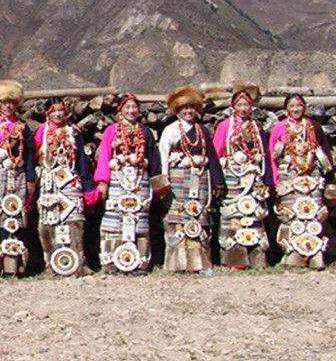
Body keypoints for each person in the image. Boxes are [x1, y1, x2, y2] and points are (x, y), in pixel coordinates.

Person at [94, 93, 165, 273]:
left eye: (134, 107)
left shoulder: (145, 132)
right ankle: (111, 262)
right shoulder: (111, 131)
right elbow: (104, 156)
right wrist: (102, 181)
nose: (131, 111)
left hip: (140, 180)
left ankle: (140, 263)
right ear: (120, 110)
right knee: (114, 220)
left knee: (139, 219)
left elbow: (153, 159)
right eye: (127, 107)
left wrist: (158, 184)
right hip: (117, 179)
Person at [157, 86, 224, 274]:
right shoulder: (170, 130)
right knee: (177, 217)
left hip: (200, 178)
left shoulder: (202, 131)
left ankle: (200, 262)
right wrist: (163, 183)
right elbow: (163, 155)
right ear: (177, 110)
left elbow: (211, 156)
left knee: (199, 216)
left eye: (192, 108)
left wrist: (217, 181)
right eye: (185, 108)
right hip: (177, 179)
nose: (188, 112)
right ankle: (176, 263)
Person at [33, 97, 98, 276]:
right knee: (49, 221)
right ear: (47, 113)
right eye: (53, 111)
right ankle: (52, 264)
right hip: (49, 181)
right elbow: (32, 156)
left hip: (71, 180)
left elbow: (82, 161)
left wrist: (88, 186)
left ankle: (77, 264)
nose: (58, 114)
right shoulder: (41, 133)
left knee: (74, 221)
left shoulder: (73, 132)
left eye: (60, 110)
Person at [0, 80, 35, 278]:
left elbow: (29, 155)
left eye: (12, 102)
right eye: (4, 102)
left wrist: (30, 179)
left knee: (14, 217)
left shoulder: (22, 127)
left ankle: (13, 264)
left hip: (16, 177)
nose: (8, 106)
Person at [212, 85, 274, 269]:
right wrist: (217, 178)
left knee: (254, 213)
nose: (243, 108)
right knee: (233, 213)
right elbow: (216, 151)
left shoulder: (257, 127)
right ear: (233, 106)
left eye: (246, 105)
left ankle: (256, 256)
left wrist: (266, 178)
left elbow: (265, 153)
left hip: (253, 175)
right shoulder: (225, 126)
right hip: (232, 174)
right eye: (239, 105)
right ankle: (234, 257)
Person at [268, 93, 332, 268]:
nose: (296, 109)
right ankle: (293, 255)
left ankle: (315, 254)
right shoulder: (280, 128)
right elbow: (272, 156)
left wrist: (329, 179)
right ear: (286, 109)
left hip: (312, 177)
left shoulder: (313, 127)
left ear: (304, 107)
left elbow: (325, 151)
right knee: (291, 215)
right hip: (289, 177)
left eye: (299, 105)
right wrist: (275, 180)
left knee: (314, 215)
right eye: (292, 106)